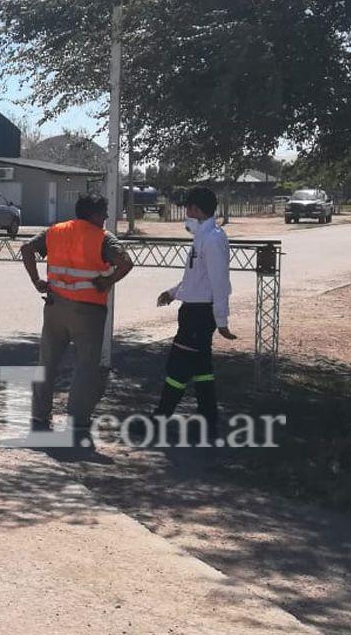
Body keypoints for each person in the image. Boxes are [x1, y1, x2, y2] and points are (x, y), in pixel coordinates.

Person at [20, 192, 134, 444]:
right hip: (88, 310)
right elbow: (126, 262)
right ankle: (77, 420)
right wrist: (108, 280)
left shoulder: (55, 231)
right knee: (85, 366)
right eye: (103, 212)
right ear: (94, 214)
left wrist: (36, 281)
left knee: (47, 361)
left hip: (55, 307)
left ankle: (39, 417)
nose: (106, 217)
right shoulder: (103, 238)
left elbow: (26, 249)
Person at [153, 186, 236, 442]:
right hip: (194, 310)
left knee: (178, 367)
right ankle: (208, 420)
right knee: (202, 367)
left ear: (196, 210)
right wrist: (173, 292)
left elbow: (219, 282)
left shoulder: (212, 239)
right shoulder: (203, 236)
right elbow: (195, 278)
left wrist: (221, 320)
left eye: (187, 208)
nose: (185, 212)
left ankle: (160, 420)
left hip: (200, 315)